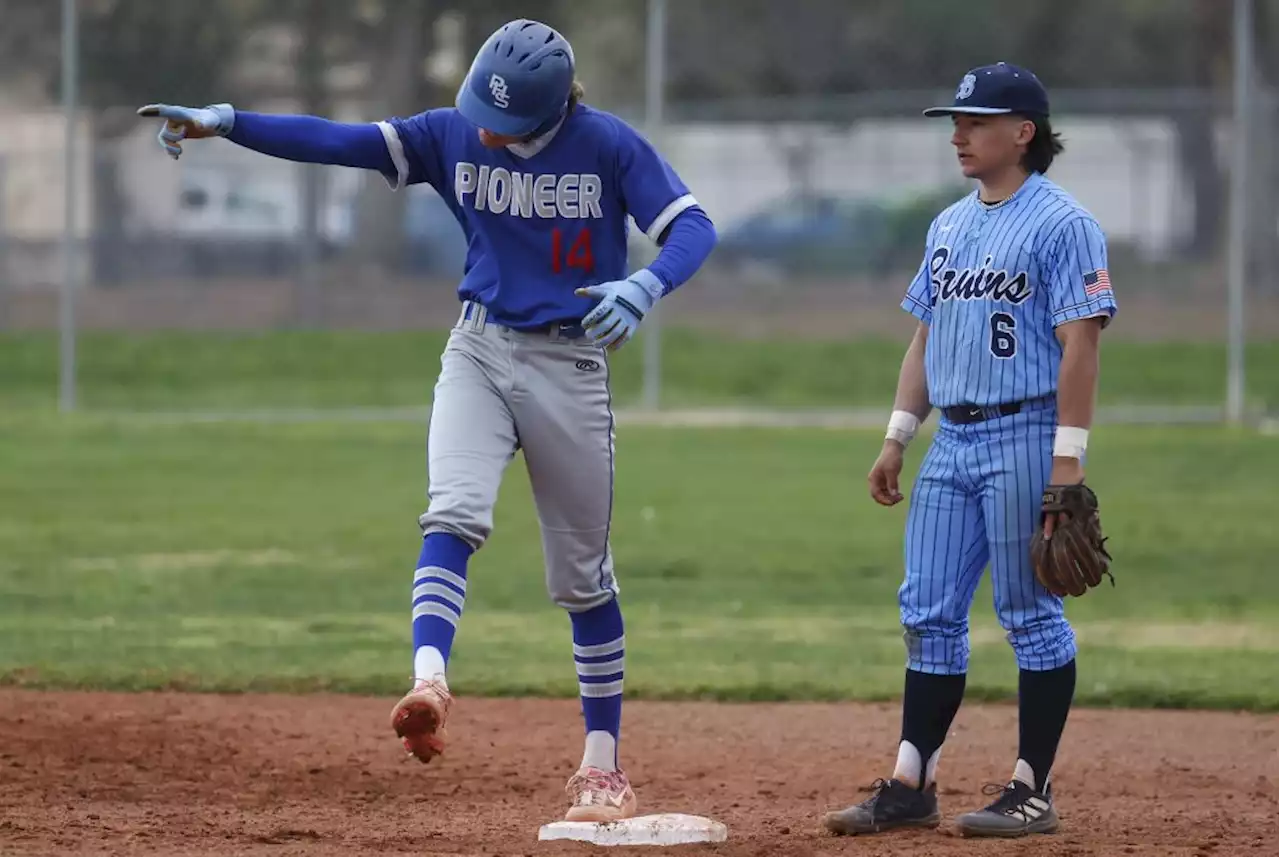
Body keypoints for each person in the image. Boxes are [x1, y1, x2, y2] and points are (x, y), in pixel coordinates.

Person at [138, 18, 717, 824]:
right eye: (482, 107)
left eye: (505, 119)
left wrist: (646, 285)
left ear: (554, 113)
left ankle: (602, 767)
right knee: (452, 510)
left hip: (570, 364)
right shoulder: (450, 134)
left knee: (583, 577)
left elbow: (693, 225)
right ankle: (429, 677)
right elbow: (338, 141)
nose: (485, 127)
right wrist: (231, 122)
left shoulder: (608, 145)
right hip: (478, 347)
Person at [822, 62, 1117, 839]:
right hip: (951, 438)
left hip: (1025, 432)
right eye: (955, 120)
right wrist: (897, 434)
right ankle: (911, 783)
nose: (958, 133)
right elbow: (927, 334)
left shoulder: (1063, 223)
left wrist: (1068, 459)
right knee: (927, 612)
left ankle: (1031, 787)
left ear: (1023, 132)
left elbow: (1079, 342)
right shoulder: (949, 224)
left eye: (975, 121)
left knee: (1030, 611)